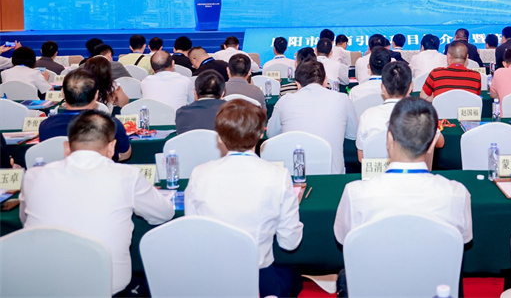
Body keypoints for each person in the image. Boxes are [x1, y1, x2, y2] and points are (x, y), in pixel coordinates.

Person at [20, 110, 173, 295]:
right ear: (112, 147)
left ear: (66, 147)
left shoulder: (33, 176)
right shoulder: (127, 175)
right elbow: (164, 214)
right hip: (108, 289)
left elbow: (25, 221)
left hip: (42, 288)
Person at [185, 100, 303, 297]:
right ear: (261, 134)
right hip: (259, 278)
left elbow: (193, 231)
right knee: (293, 276)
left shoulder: (199, 174)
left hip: (211, 279)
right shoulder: (278, 175)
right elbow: (289, 242)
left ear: (219, 137)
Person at [334, 96, 472, 244]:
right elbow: (462, 241)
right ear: (432, 144)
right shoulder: (457, 194)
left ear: (388, 139)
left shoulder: (355, 194)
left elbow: (344, 240)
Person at [267, 60, 357, 174]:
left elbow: (271, 134)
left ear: (297, 84)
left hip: (294, 175)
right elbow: (353, 134)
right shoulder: (342, 99)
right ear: (325, 80)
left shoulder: (284, 101)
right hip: (332, 175)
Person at [38, 70, 131, 161]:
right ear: (96, 95)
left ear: (62, 94)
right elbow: (125, 154)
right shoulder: (111, 124)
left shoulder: (45, 125)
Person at [356, 61, 414, 160]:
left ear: (383, 88)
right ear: (411, 87)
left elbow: (361, 157)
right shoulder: (419, 115)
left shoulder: (368, 115)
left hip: (376, 169)